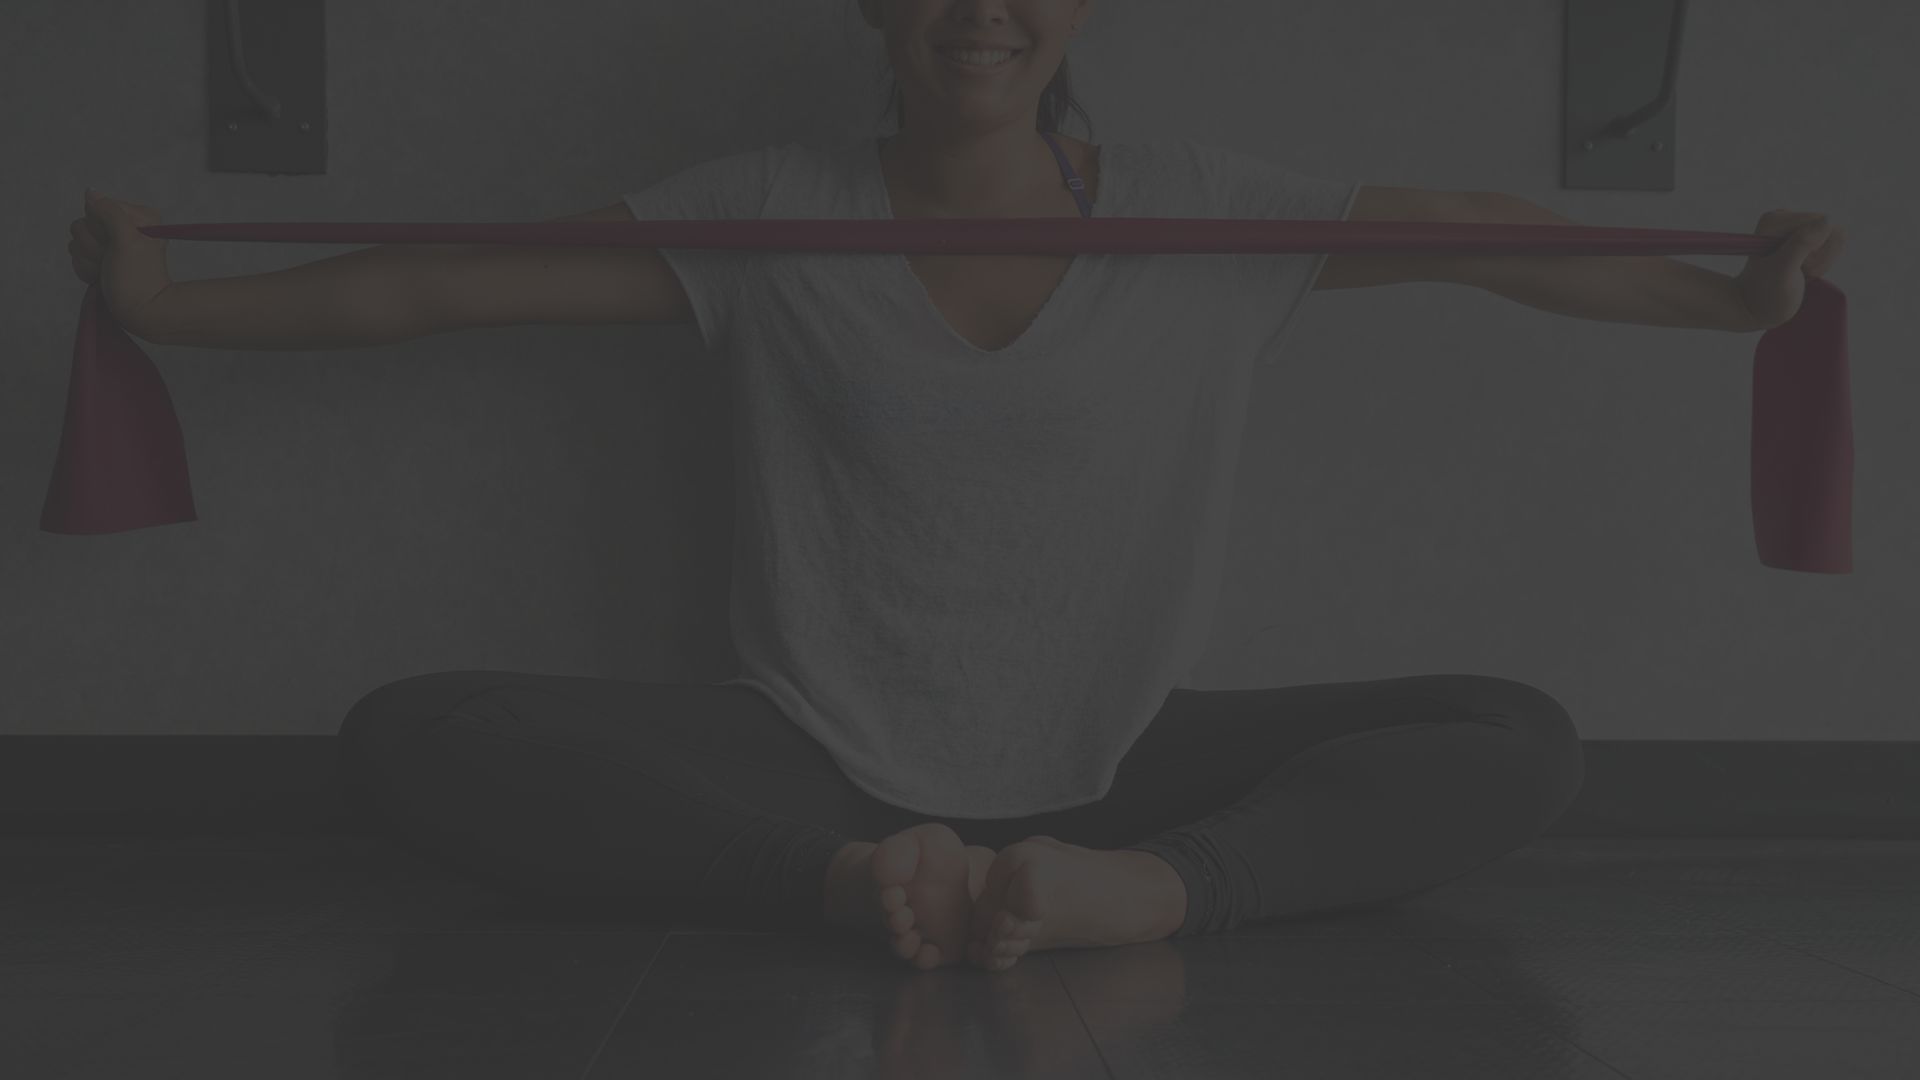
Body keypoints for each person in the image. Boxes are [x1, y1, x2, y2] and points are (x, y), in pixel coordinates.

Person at [69, 0, 1585, 974]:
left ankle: (1152, 896)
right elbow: (450, 281)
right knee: (415, 735)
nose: (981, 10)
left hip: (1125, 763)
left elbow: (1483, 230)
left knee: (1511, 736)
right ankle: (852, 886)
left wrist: (1744, 300)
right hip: (812, 756)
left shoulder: (1213, 212)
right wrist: (167, 307)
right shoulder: (767, 207)